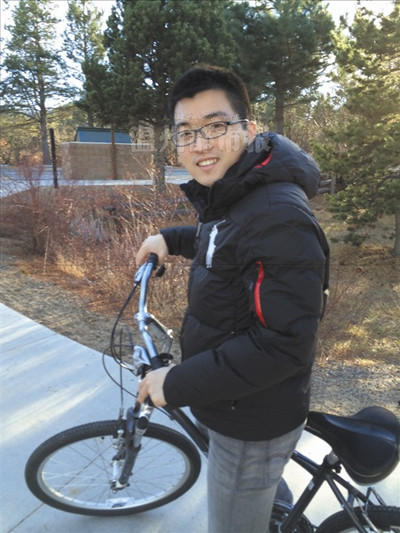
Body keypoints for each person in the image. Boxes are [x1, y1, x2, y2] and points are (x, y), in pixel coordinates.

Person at [136, 65, 329, 533]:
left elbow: (283, 345)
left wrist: (177, 381)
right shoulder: (238, 191)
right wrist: (171, 239)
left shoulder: (277, 214)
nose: (200, 143)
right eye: (186, 132)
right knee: (261, 495)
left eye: (216, 125)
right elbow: (225, 244)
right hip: (231, 397)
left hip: (250, 421)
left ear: (249, 129)